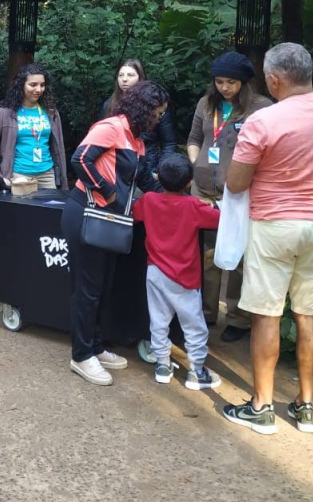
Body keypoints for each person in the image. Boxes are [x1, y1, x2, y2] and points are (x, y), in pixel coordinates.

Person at [222, 43, 313, 436]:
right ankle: (306, 407)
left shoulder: (263, 121)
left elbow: (236, 182)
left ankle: (262, 407)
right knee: (311, 315)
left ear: (275, 80)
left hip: (274, 225)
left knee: (267, 313)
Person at [64, 80, 169, 386]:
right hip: (85, 214)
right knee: (87, 288)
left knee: (104, 285)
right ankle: (81, 355)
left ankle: (96, 346)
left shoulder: (137, 140)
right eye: (157, 113)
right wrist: (107, 191)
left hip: (109, 221)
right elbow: (79, 159)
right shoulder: (111, 127)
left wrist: (171, 198)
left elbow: (144, 180)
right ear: (143, 109)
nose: (159, 119)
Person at [186, 51, 272, 342]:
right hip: (203, 189)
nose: (224, 87)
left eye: (231, 83)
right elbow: (195, 139)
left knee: (237, 256)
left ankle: (237, 317)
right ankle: (207, 312)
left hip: (239, 193)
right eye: (220, 82)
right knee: (207, 255)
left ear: (245, 83)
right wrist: (196, 164)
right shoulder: (205, 103)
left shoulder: (261, 108)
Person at [133, 154, 222, 389]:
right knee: (194, 325)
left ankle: (162, 364)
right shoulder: (192, 205)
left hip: (155, 273)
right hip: (185, 277)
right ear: (189, 183)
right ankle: (196, 371)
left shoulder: (149, 200)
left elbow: (135, 213)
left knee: (158, 321)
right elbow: (219, 220)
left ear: (158, 178)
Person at [0, 63, 68, 194]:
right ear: (21, 85)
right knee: (22, 214)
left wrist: (62, 177)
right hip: (18, 176)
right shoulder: (4, 113)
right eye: (33, 85)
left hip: (47, 175)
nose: (39, 89)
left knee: (48, 213)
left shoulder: (51, 113)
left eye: (42, 85)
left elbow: (59, 148)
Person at [101, 59, 176, 191]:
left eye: (130, 75)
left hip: (148, 168)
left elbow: (169, 143)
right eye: (121, 75)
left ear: (140, 78)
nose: (124, 79)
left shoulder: (156, 104)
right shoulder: (109, 105)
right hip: (116, 171)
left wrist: (161, 171)